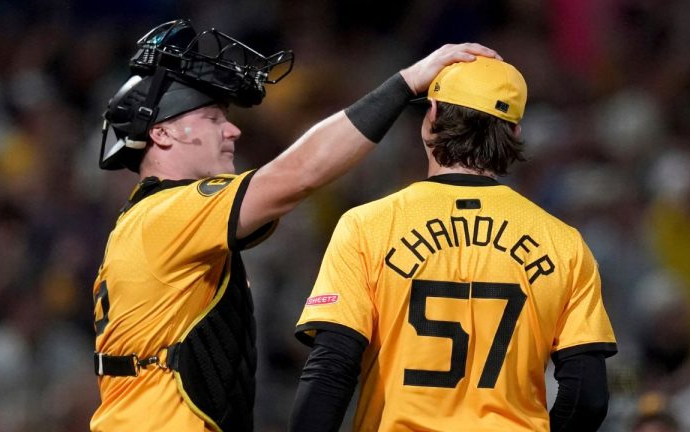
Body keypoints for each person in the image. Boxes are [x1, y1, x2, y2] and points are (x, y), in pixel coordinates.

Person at [90, 18, 500, 432]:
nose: (232, 130)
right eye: (214, 118)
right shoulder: (168, 213)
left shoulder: (158, 218)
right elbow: (299, 173)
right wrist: (406, 83)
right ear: (161, 134)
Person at [290, 57, 618, 432]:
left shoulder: (367, 226)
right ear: (514, 131)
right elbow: (587, 397)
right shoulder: (563, 243)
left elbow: (330, 372)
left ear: (431, 116)